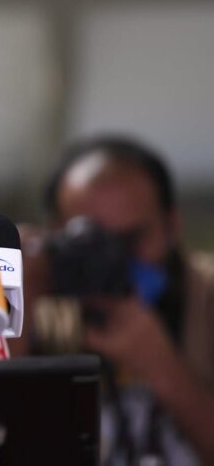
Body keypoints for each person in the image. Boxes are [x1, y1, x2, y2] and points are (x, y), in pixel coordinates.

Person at [33, 135, 214, 465]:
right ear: (55, 235)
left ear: (172, 225)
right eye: (91, 241)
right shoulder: (46, 311)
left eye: (130, 240)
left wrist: (163, 368)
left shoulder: (207, 299)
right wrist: (19, 292)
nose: (113, 260)